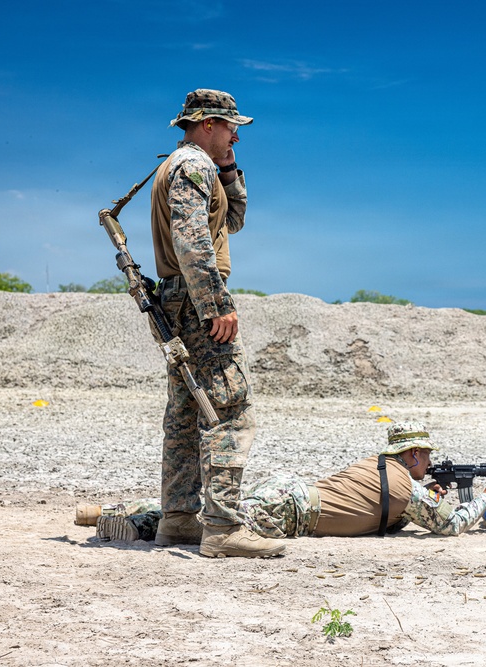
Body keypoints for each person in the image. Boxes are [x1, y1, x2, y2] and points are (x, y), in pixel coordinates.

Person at [150, 88, 281, 558]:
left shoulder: (192, 165)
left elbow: (234, 220)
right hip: (195, 298)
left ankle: (179, 520)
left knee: (186, 411)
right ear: (206, 123)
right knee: (230, 406)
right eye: (231, 129)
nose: (236, 138)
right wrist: (215, 303)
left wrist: (229, 168)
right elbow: (192, 242)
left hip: (179, 300)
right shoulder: (192, 165)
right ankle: (224, 527)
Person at [83, 422, 486, 544]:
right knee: (221, 523)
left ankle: (115, 509)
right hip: (293, 509)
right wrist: (485, 499)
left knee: (214, 505)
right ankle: (136, 526)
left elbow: (378, 509)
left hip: (291, 491)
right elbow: (450, 525)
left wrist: (426, 499)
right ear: (413, 455)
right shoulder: (406, 486)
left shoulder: (377, 465)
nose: (430, 461)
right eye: (427, 455)